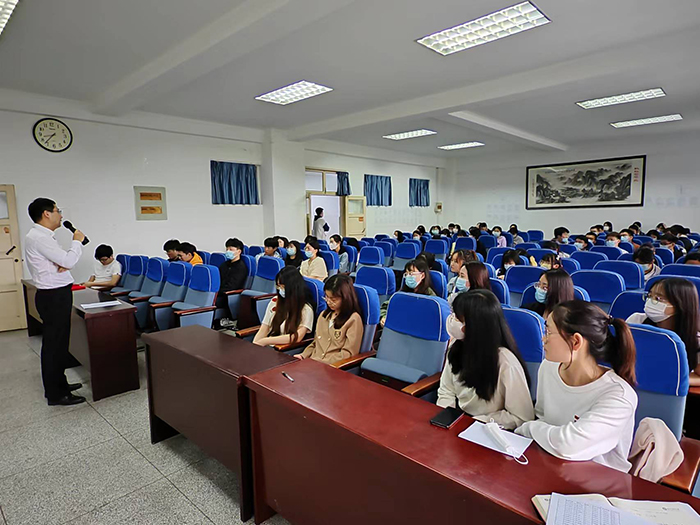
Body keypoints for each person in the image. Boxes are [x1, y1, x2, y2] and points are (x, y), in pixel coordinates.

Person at [515, 301, 638, 472]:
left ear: (576, 342)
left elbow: (568, 445)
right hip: (551, 464)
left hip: (598, 478)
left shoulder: (619, 396)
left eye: (549, 332)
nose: (543, 339)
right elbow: (542, 417)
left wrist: (528, 428)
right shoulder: (548, 367)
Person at [437, 290, 534, 429]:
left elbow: (521, 417)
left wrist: (477, 422)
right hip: (458, 420)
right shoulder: (456, 346)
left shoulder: (505, 362)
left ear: (475, 326)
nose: (452, 320)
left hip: (487, 428)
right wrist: (446, 417)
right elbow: (446, 390)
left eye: (458, 318)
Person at [25, 198, 86, 406]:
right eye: (57, 210)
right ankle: (56, 393)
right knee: (54, 345)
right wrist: (77, 241)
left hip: (54, 294)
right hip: (53, 296)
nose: (60, 215)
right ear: (46, 214)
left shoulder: (41, 237)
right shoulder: (40, 238)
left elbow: (62, 262)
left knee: (59, 344)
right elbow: (68, 260)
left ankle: (60, 384)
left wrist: (64, 262)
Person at [627, 277, 700, 386]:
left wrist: (669, 380)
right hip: (630, 383)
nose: (650, 301)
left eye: (658, 298)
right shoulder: (636, 320)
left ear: (680, 304)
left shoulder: (696, 340)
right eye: (649, 296)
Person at [296, 274, 364, 364]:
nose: (328, 302)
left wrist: (321, 362)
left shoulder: (353, 319)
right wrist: (303, 355)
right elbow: (316, 343)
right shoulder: (324, 315)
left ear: (345, 298)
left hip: (331, 366)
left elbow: (348, 354)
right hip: (313, 362)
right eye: (326, 297)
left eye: (333, 299)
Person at [253, 267, 315, 347]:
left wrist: (265, 341)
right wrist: (254, 345)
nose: (280, 290)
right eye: (278, 286)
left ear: (292, 287)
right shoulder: (275, 301)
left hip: (284, 349)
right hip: (268, 346)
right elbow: (264, 329)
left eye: (283, 287)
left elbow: (297, 337)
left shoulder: (306, 309)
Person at [380, 258, 435, 325]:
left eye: (411, 273)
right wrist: (384, 317)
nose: (408, 276)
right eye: (406, 273)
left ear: (422, 275)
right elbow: (385, 307)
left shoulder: (431, 298)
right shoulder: (402, 293)